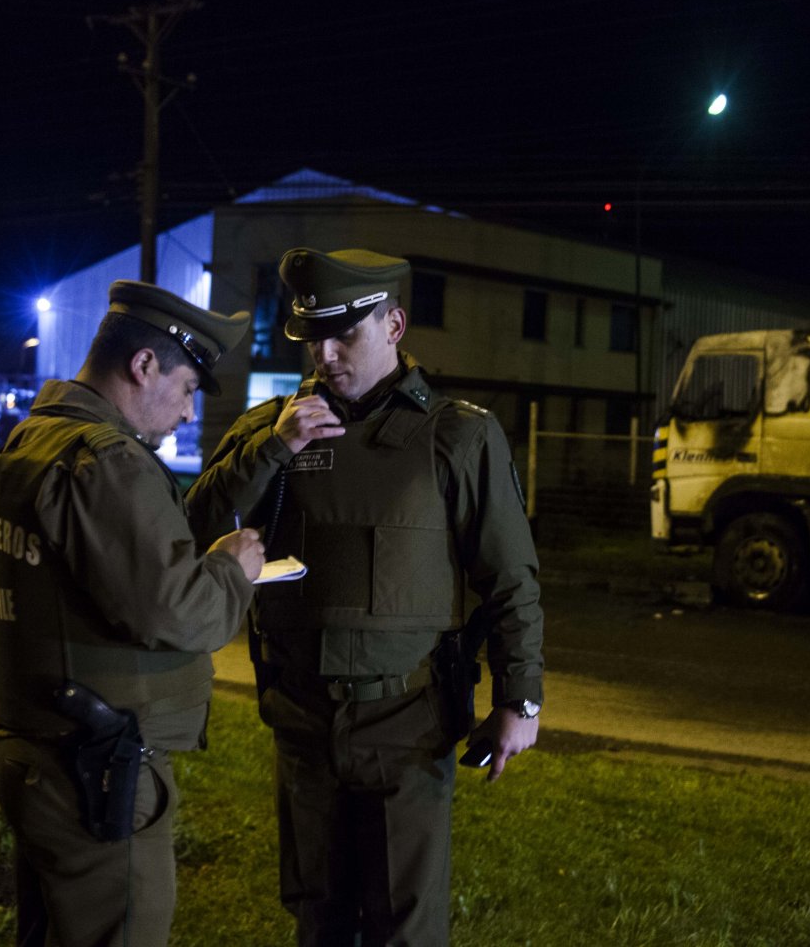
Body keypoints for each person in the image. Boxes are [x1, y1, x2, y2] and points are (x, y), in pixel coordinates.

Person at [186, 247, 544, 946]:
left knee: (402, 925)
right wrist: (273, 450)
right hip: (303, 717)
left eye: (344, 334)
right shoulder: (269, 429)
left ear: (395, 325)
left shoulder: (457, 435)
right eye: (313, 337)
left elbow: (509, 575)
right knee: (319, 918)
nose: (325, 353)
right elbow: (192, 529)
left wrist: (518, 696)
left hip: (405, 721)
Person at [0, 281, 266, 947]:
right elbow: (184, 611)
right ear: (144, 366)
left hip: (38, 746)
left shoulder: (32, 441)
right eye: (188, 387)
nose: (186, 412)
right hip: (95, 767)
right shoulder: (107, 463)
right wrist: (234, 568)